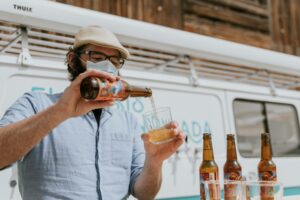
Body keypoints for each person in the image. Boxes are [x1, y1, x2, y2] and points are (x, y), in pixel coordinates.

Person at [0, 26, 185, 200]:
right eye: (97, 57)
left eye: (114, 61)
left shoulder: (128, 121)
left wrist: (155, 162)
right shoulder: (36, 104)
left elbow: (144, 193)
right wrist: (60, 111)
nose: (107, 66)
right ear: (73, 60)